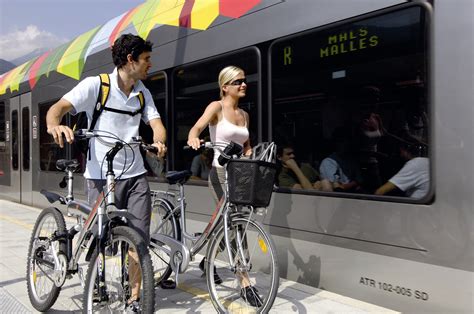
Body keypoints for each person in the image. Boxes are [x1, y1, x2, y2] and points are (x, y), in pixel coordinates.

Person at [46, 34, 166, 312]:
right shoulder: (96, 86)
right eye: (146, 59)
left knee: (139, 238)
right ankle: (97, 279)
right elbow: (57, 109)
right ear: (130, 60)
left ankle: (135, 298)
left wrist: (159, 140)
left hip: (135, 174)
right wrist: (55, 126)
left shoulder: (142, 92)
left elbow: (156, 124)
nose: (150, 64)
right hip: (101, 175)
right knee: (101, 237)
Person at [187, 66, 262, 307]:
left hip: (240, 174)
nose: (244, 84)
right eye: (238, 81)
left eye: (244, 80)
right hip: (219, 173)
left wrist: (252, 155)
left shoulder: (244, 115)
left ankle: (205, 260)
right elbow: (196, 128)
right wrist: (194, 137)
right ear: (225, 86)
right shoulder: (216, 107)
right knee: (235, 225)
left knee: (227, 223)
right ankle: (244, 282)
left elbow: (246, 145)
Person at [319, 127, 362, 192]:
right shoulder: (328, 162)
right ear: (336, 143)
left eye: (348, 140)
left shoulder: (351, 160)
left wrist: (354, 184)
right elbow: (335, 187)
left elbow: (360, 180)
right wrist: (354, 184)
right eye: (342, 141)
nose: (346, 144)